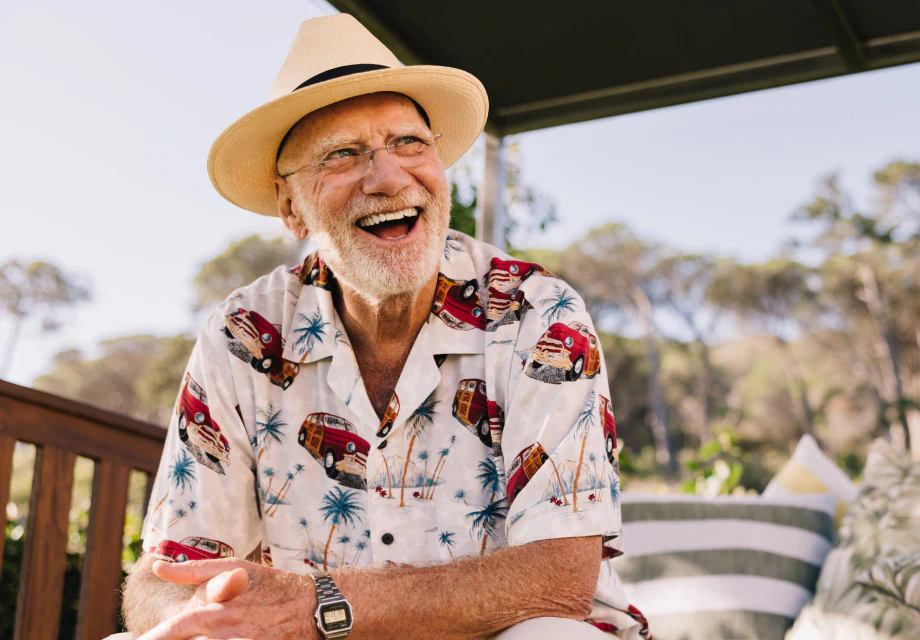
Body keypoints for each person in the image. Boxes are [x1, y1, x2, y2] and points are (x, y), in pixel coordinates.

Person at [121, 13, 651, 640]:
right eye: (342, 155)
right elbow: (165, 576)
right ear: (292, 208)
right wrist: (205, 616)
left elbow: (559, 581)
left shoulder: (538, 313)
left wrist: (314, 605)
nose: (389, 176)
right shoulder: (243, 334)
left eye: (409, 143)